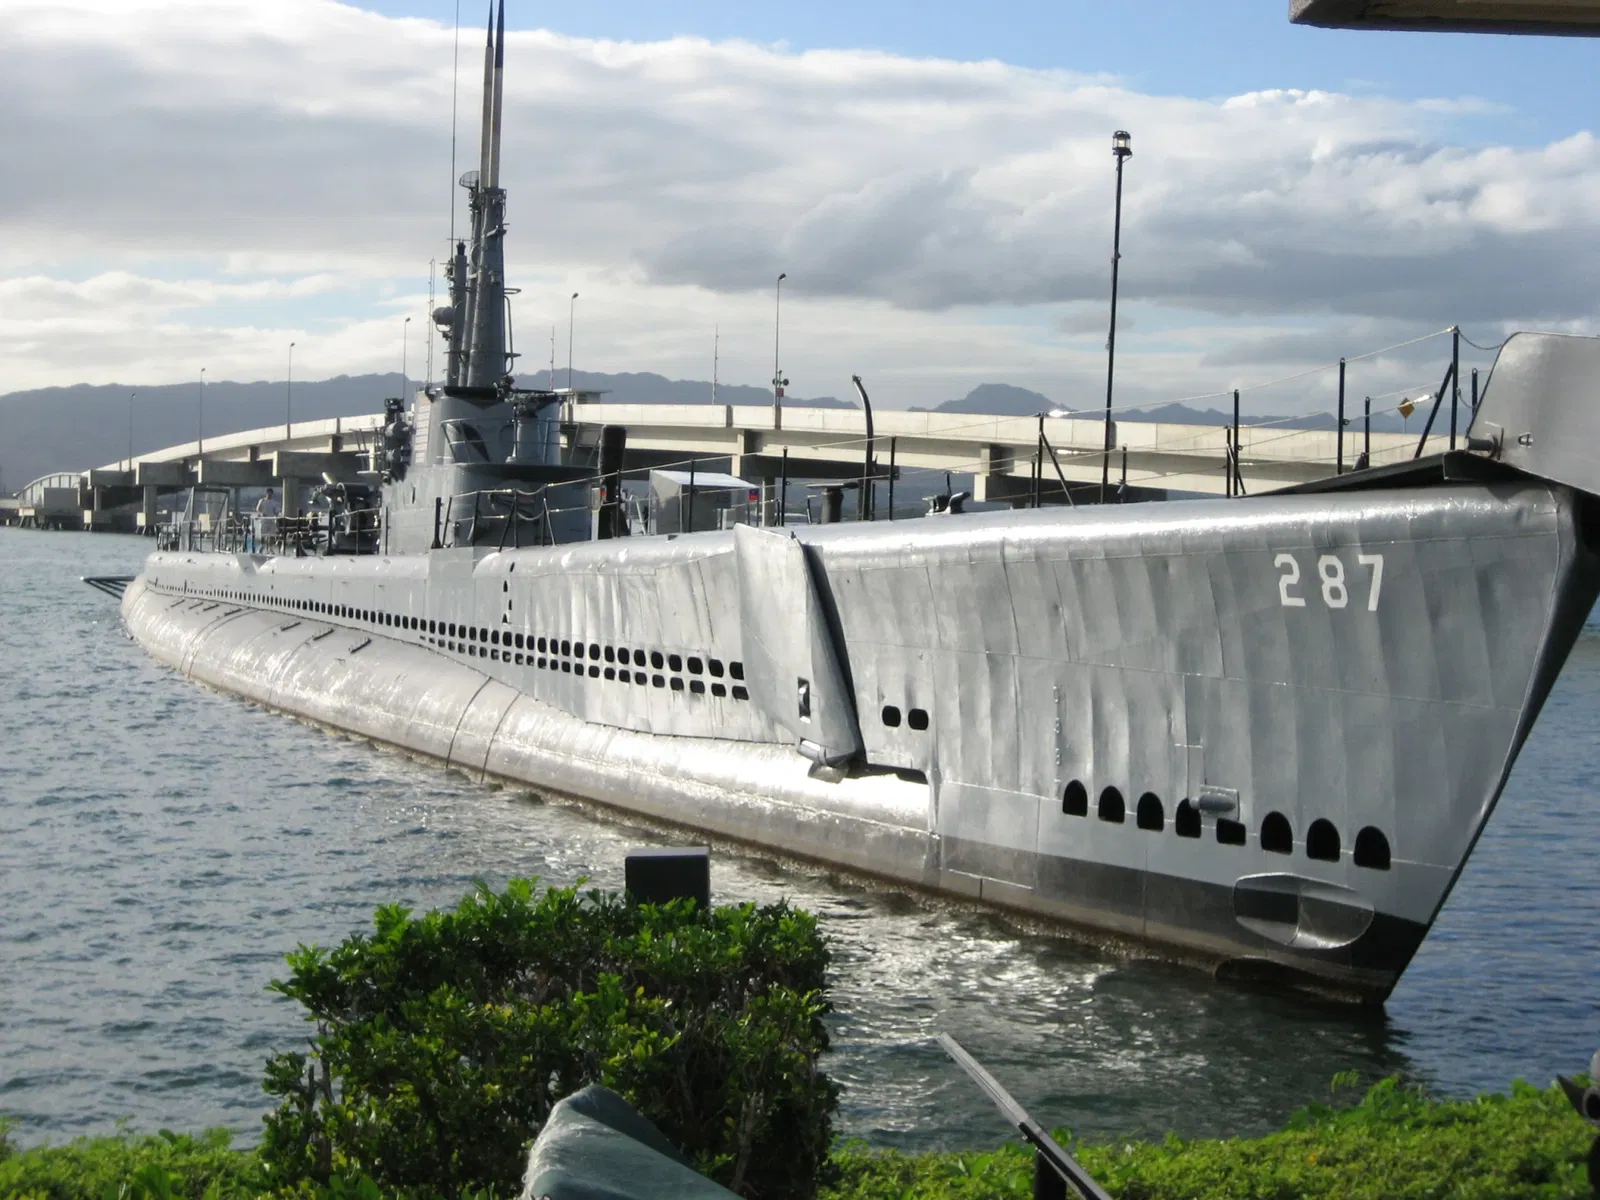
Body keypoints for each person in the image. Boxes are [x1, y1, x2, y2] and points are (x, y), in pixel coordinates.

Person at [254, 487, 280, 552]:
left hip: (271, 520)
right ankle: (262, 546)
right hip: (264, 521)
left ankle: (270, 548)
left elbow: (276, 512)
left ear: (272, 494)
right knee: (263, 535)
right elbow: (257, 509)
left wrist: (277, 520)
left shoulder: (274, 503)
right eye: (268, 493)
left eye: (270, 493)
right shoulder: (262, 501)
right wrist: (261, 513)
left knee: (272, 535)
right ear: (266, 493)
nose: (269, 495)